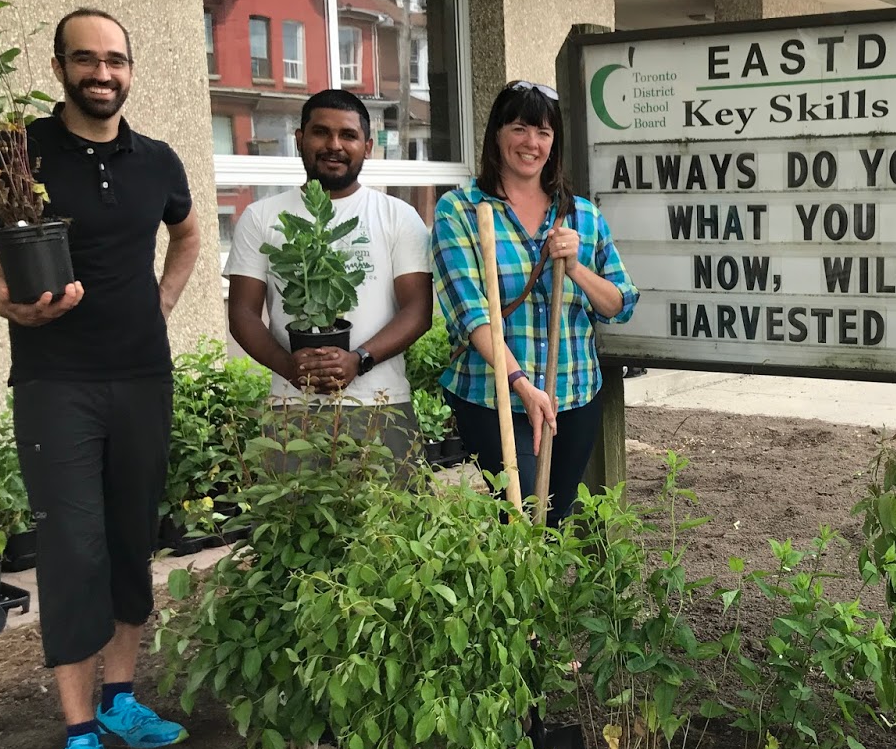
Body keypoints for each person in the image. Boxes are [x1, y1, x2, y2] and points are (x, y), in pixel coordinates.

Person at [0, 8, 203, 749]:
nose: (102, 73)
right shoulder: (10, 157)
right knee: (72, 545)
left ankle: (121, 696)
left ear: (131, 69)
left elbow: (189, 239)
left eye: (115, 61)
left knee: (133, 532)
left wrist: (161, 304)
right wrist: (13, 311)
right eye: (86, 60)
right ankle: (76, 736)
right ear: (61, 66)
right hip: (54, 380)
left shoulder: (158, 160)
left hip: (141, 374)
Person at [432, 80, 637, 521]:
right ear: (497, 135)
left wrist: (576, 267)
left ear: (554, 142)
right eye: (520, 128)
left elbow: (619, 302)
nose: (531, 143)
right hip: (494, 395)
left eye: (543, 132)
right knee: (521, 513)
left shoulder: (581, 214)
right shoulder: (462, 210)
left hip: (573, 390)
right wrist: (522, 385)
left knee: (556, 513)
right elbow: (471, 314)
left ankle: (545, 593)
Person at [225, 89, 432, 461]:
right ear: (300, 139)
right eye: (321, 132)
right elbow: (242, 314)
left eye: (348, 135)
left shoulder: (397, 216)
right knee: (292, 517)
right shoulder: (261, 217)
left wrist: (360, 359)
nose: (334, 145)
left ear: (367, 146)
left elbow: (418, 310)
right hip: (292, 408)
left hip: (382, 404)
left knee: (392, 517)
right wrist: (290, 368)